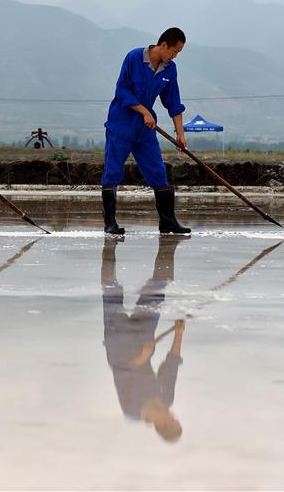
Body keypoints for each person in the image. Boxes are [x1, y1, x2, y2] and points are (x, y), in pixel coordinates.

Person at [101, 28, 192, 235]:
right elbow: (121, 90)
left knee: (158, 171)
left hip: (145, 129)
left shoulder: (170, 70)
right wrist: (143, 110)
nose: (175, 56)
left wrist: (180, 134)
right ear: (164, 45)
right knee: (113, 171)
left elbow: (174, 103)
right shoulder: (134, 57)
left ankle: (168, 222)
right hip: (121, 124)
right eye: (175, 51)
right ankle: (110, 224)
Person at [101, 236, 187, 442]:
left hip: (118, 341)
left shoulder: (132, 411)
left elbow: (120, 372)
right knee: (159, 287)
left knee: (110, 289)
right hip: (143, 337)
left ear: (163, 424)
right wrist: (179, 333)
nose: (173, 414)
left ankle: (108, 244)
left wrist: (142, 358)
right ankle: (168, 244)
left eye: (173, 420)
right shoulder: (167, 399)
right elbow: (171, 365)